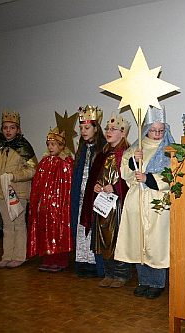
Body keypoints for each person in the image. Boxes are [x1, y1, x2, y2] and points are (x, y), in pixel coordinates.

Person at [115, 107, 174, 299]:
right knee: (138, 242)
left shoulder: (169, 149)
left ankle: (157, 282)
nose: (157, 135)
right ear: (146, 129)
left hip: (157, 202)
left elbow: (174, 175)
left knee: (156, 244)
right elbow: (124, 173)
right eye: (153, 130)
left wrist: (149, 178)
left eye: (160, 131)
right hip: (137, 201)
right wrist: (133, 162)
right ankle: (144, 280)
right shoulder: (136, 147)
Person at [80, 112, 130, 288]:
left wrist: (115, 188)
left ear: (123, 133)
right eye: (107, 128)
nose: (108, 131)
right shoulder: (102, 154)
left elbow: (128, 181)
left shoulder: (126, 154)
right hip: (102, 204)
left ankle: (121, 274)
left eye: (113, 129)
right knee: (102, 236)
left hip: (118, 204)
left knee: (117, 237)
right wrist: (96, 187)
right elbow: (97, 176)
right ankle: (108, 273)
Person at [0, 110, 37, 268]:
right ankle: (7, 255)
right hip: (0, 193)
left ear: (18, 129)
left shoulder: (23, 146)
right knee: (6, 225)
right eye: (5, 127)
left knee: (18, 224)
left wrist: (14, 175)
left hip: (17, 193)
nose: (8, 131)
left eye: (12, 128)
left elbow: (32, 170)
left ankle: (19, 256)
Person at [27, 127, 74, 272]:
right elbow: (37, 184)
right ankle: (47, 259)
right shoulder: (44, 162)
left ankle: (60, 260)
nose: (50, 147)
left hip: (60, 206)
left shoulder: (66, 162)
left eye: (53, 144)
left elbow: (68, 185)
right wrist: (38, 201)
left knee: (59, 231)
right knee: (46, 231)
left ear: (61, 146)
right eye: (48, 144)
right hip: (46, 206)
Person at [71, 105, 106, 278]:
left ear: (95, 128)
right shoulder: (82, 149)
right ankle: (82, 262)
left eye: (87, 128)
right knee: (80, 228)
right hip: (81, 197)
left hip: (94, 198)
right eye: (81, 128)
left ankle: (94, 264)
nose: (83, 131)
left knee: (93, 229)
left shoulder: (102, 150)